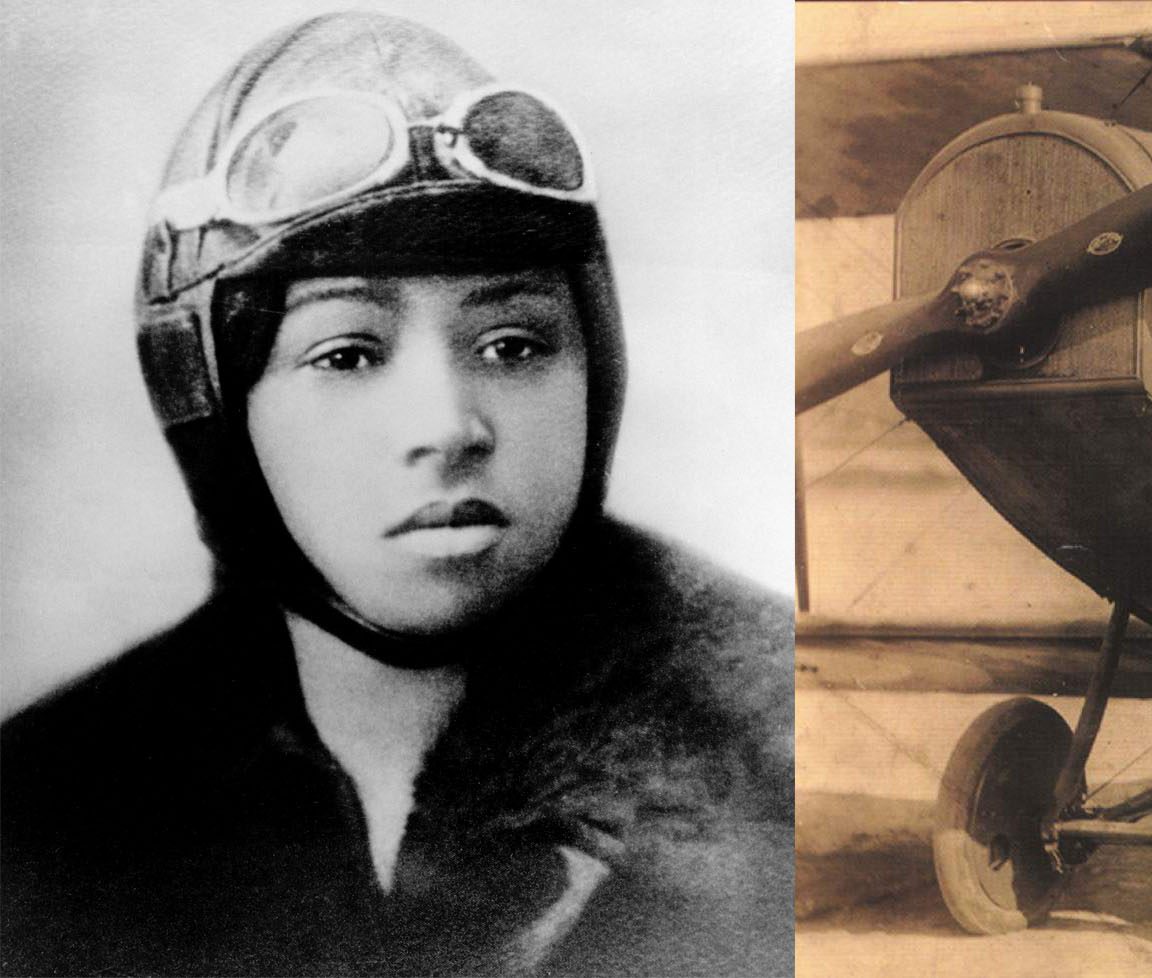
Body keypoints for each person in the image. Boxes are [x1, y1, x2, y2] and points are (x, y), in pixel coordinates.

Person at [0, 13, 791, 976]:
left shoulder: (782, 741)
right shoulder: (50, 804)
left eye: (515, 345)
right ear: (210, 405)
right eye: (348, 353)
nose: (449, 426)